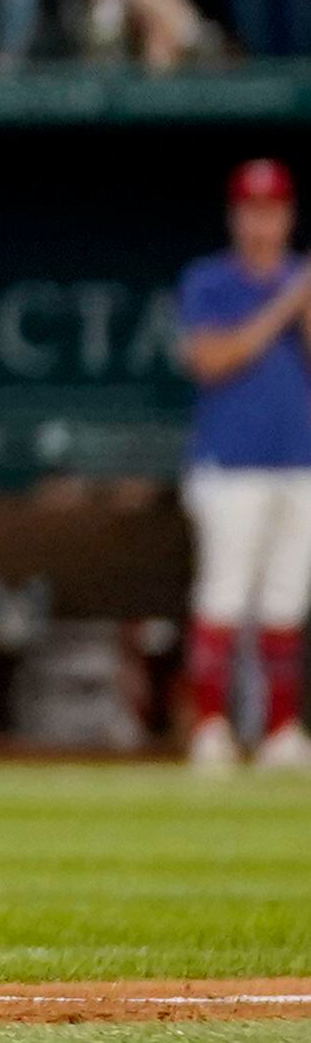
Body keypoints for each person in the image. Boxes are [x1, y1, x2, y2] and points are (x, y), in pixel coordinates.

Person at [173, 159, 311, 772]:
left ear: (288, 216)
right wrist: (285, 303)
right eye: (252, 210)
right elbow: (210, 359)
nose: (262, 222)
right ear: (236, 216)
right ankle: (211, 728)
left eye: (273, 210)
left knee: (285, 602)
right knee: (224, 596)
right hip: (230, 464)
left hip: (298, 460)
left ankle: (281, 732)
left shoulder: (302, 282)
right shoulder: (210, 281)